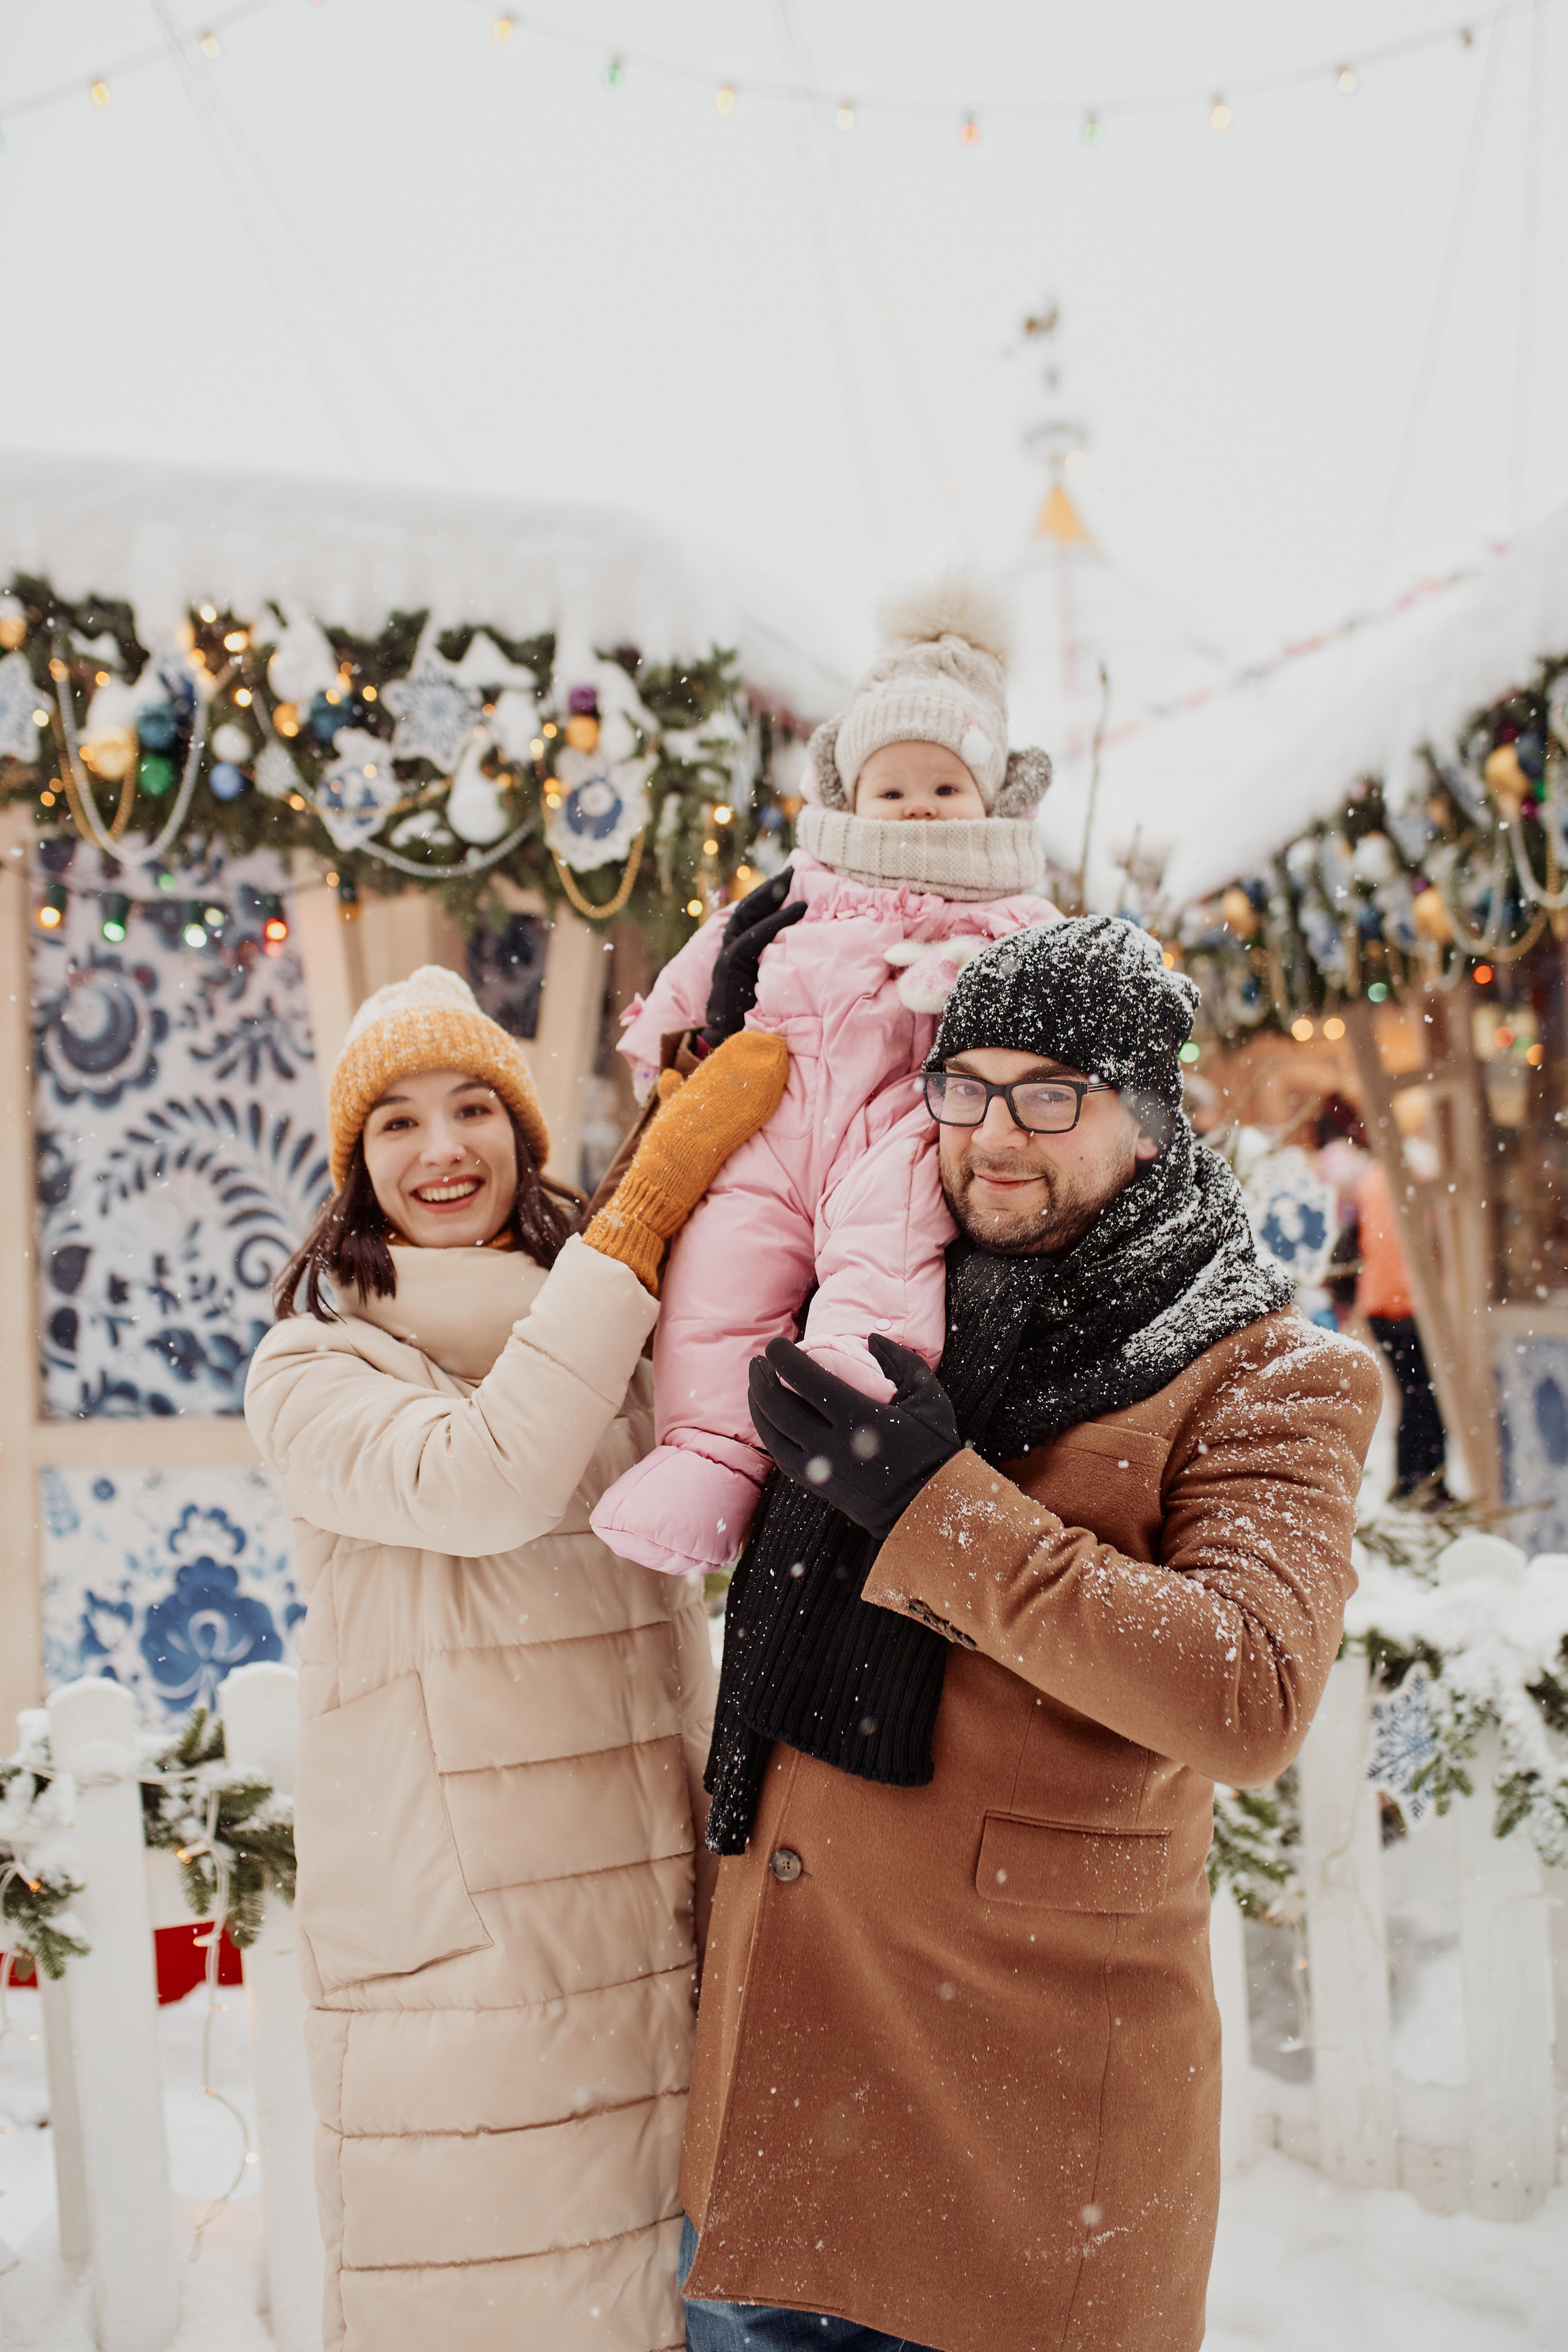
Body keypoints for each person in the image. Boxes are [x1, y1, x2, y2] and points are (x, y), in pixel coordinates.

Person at [679, 918, 1382, 2352]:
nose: (994, 1135)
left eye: (1049, 1093)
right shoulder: (876, 1297)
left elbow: (1244, 1692)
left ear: (1143, 1113)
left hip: (1024, 2132)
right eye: (965, 1086)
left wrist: (938, 1507)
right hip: (774, 2115)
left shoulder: (1266, 1376)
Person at [243, 965, 787, 2352]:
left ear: (522, 1135)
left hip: (649, 1917)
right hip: (467, 1967)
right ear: (356, 1171)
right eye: (397, 1125)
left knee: (665, 2309)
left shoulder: (614, 1323)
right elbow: (491, 1484)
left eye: (474, 1108)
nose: (442, 1151)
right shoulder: (318, 1366)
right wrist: (641, 1221)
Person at [590, 573, 1058, 1580]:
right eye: (895, 789)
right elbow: (716, 956)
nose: (921, 811)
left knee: (886, 1245)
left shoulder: (1010, 909)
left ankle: (853, 1385)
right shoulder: (803, 885)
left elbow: (1063, 990)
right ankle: (708, 1456)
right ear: (851, 795)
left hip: (902, 1129)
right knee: (721, 1277)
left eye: (946, 788)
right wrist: (666, 1037)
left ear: (994, 796)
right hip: (774, 1119)